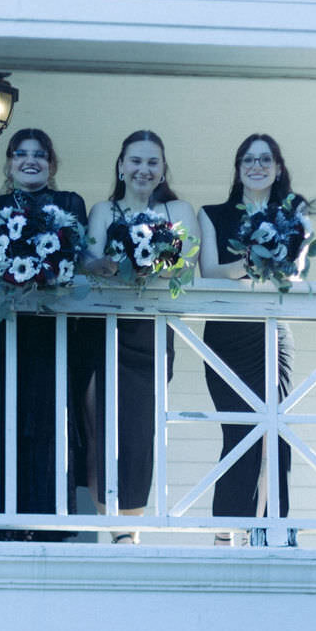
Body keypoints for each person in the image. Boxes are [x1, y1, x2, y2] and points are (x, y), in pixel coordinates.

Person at [84, 130, 200, 542]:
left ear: (163, 169)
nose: (143, 169)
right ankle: (109, 523)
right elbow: (91, 260)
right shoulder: (104, 209)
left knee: (137, 430)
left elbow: (186, 266)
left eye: (152, 162)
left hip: (150, 332)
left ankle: (128, 528)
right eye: (135, 161)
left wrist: (156, 260)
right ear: (121, 166)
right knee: (98, 423)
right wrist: (109, 263)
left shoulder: (179, 208)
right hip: (103, 329)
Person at [199, 132, 310, 545]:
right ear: (238, 168)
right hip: (227, 335)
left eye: (265, 159)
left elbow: (296, 273)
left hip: (272, 332)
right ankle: (226, 535)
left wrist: (279, 256)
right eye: (248, 159)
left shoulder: (292, 213)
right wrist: (248, 262)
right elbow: (209, 271)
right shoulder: (212, 214)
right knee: (239, 434)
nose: (257, 166)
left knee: (274, 435)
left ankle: (267, 534)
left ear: (278, 168)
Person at [0, 129, 89, 536]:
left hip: (54, 332)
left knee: (51, 420)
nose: (31, 161)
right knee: (3, 417)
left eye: (40, 155)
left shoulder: (69, 202)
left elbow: (77, 255)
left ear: (52, 164)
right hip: (4, 332)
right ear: (9, 163)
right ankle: (2, 521)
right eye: (21, 154)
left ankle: (49, 521)